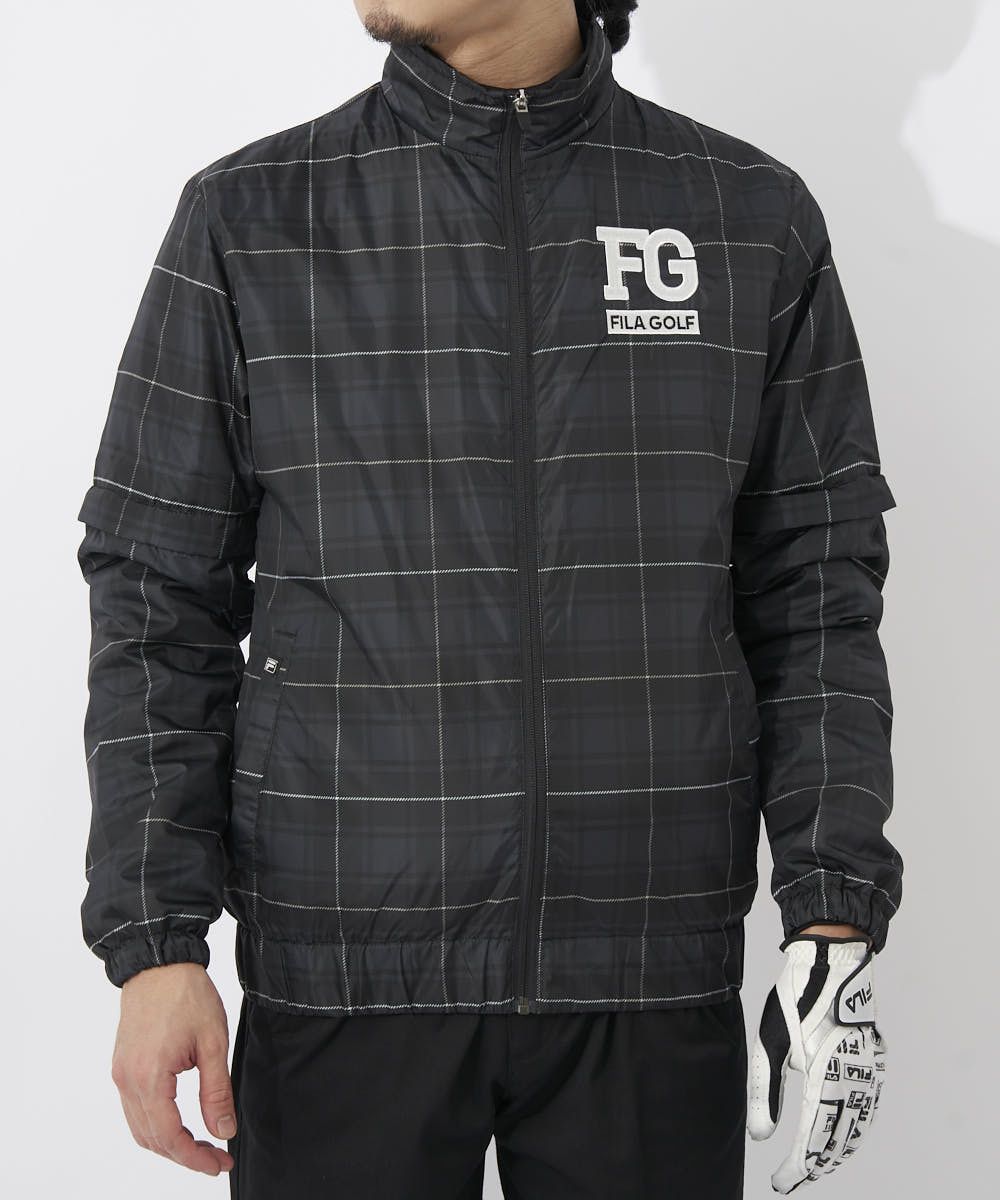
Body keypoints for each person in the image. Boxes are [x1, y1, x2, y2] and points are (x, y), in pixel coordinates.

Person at [75, 1, 902, 1196]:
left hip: (647, 970)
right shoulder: (254, 216)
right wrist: (157, 943)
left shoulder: (741, 214)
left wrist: (831, 913)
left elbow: (816, 587)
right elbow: (157, 595)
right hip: (343, 974)